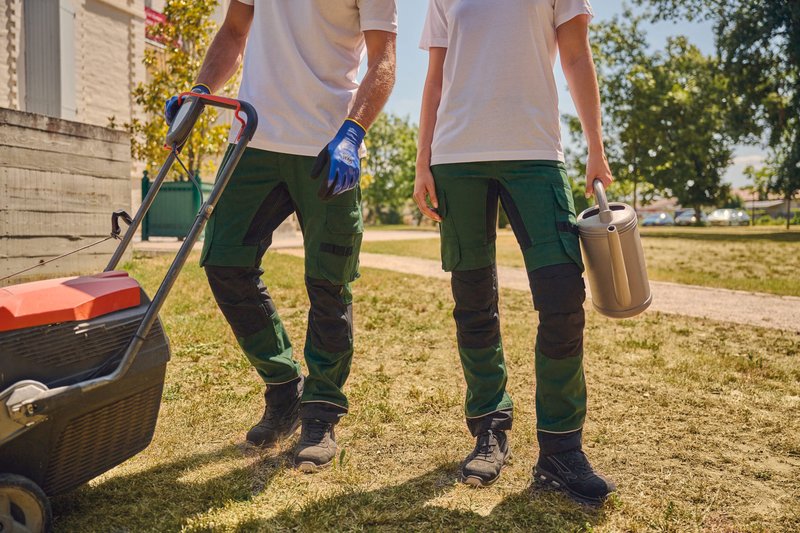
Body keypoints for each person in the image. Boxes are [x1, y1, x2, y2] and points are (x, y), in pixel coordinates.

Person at [164, 0, 397, 472]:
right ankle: (284, 386)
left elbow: (384, 59)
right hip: (254, 141)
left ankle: (321, 412)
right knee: (225, 262)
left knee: (330, 284)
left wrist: (353, 132)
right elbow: (233, 31)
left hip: (328, 145)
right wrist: (201, 91)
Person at [415, 0, 616, 503]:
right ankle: (489, 426)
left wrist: (596, 144)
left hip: (536, 155)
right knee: (474, 303)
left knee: (563, 297)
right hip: (457, 158)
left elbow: (575, 55)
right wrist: (423, 161)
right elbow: (435, 77)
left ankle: (560, 448)